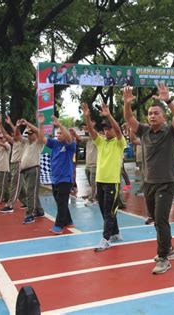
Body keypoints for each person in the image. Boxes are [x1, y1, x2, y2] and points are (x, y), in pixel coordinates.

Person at [123, 83, 174, 274]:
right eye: (150, 113)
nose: (152, 116)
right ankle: (170, 248)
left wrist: (168, 100)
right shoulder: (144, 131)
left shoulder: (170, 132)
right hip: (149, 183)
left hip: (166, 183)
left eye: (156, 113)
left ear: (163, 117)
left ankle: (163, 257)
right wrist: (126, 103)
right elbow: (129, 118)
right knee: (157, 221)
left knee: (161, 219)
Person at [82, 103, 126, 251]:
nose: (106, 131)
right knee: (104, 210)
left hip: (112, 182)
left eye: (109, 128)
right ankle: (116, 233)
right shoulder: (101, 142)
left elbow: (119, 131)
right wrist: (87, 117)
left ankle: (106, 239)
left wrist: (108, 115)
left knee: (109, 211)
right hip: (100, 180)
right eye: (105, 129)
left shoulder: (120, 142)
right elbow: (91, 131)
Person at [38, 115, 76, 234]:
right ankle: (68, 221)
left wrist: (59, 124)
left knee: (62, 201)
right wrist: (41, 124)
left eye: (60, 133)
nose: (58, 135)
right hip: (55, 179)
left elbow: (69, 137)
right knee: (60, 202)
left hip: (65, 179)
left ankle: (58, 226)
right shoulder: (54, 144)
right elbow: (41, 138)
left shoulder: (70, 145)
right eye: (57, 133)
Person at [14, 120, 46, 224]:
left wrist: (27, 123)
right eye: (27, 134)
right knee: (33, 192)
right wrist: (17, 126)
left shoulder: (39, 142)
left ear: (35, 135)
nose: (28, 136)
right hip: (26, 171)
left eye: (30, 134)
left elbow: (40, 133)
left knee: (30, 192)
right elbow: (17, 135)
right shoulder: (26, 143)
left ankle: (30, 214)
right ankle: (39, 210)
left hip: (34, 169)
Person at [0, 116, 27, 213]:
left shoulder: (22, 141)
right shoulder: (14, 141)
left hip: (19, 164)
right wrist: (0, 124)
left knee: (15, 185)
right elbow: (5, 134)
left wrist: (14, 125)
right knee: (20, 186)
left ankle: (10, 205)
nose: (12, 134)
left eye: (14, 133)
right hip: (14, 164)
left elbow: (17, 132)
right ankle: (27, 202)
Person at [70, 123, 98, 204]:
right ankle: (95, 195)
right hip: (88, 165)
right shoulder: (88, 139)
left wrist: (89, 128)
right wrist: (74, 133)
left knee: (93, 182)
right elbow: (79, 138)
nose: (88, 132)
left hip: (95, 164)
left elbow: (94, 133)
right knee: (91, 182)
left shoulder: (97, 140)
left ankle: (92, 198)